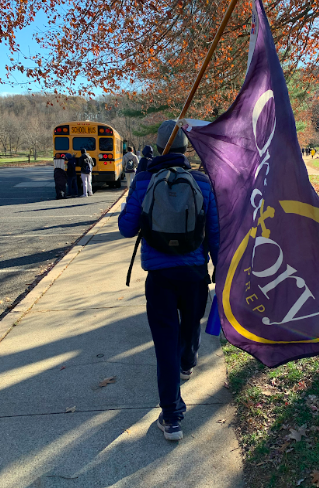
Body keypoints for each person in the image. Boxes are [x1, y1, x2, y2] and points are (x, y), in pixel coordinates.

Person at [118, 120, 219, 442]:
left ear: (160, 148)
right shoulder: (202, 183)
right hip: (194, 274)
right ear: (185, 149)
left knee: (164, 346)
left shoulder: (145, 180)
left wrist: (137, 191)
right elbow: (215, 233)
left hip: (159, 276)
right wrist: (222, 268)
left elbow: (125, 228)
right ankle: (188, 361)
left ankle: (172, 417)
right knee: (190, 329)